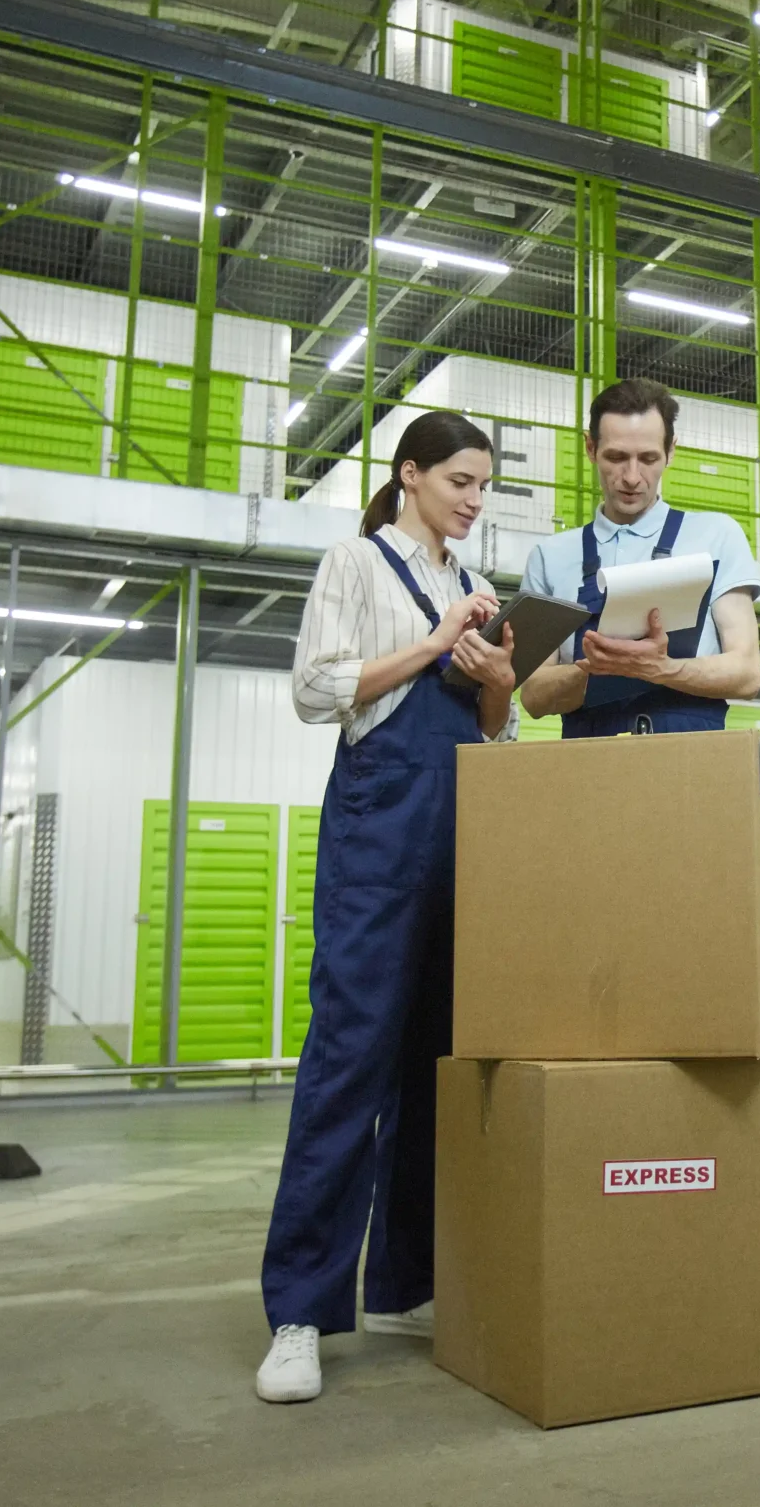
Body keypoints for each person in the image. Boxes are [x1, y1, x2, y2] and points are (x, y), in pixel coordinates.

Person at [255, 410, 517, 1405]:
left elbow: (496, 734)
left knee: (436, 1068)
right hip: (378, 839)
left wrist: (493, 677)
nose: (473, 499)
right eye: (459, 480)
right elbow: (318, 690)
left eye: (485, 485)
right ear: (410, 475)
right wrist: (435, 644)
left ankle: (406, 1284)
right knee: (348, 1067)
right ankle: (299, 1312)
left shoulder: (475, 590)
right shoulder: (355, 565)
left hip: (463, 842)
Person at [519, 377, 760, 735]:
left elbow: (746, 673)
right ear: (590, 448)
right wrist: (602, 670)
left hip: (690, 764)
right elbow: (534, 695)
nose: (632, 477)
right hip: (591, 768)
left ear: (671, 451)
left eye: (648, 459)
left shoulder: (717, 536)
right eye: (616, 457)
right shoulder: (550, 557)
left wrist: (660, 668)